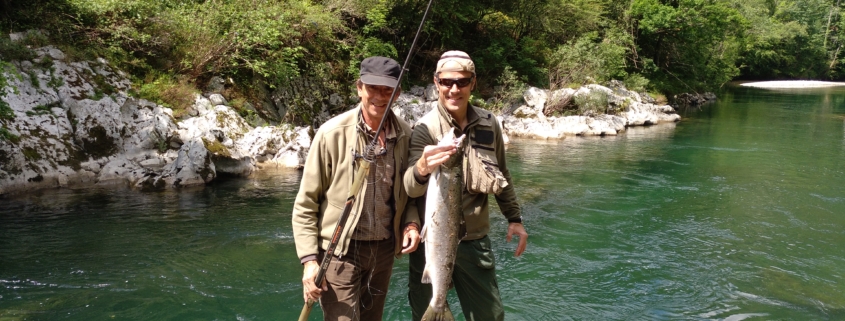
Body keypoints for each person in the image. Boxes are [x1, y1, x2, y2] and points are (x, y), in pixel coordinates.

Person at [292, 56, 421, 321]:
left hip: (384, 252)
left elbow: (408, 197)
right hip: (339, 253)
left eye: (388, 90)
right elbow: (306, 204)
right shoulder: (331, 134)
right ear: (359, 87)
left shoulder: (407, 136)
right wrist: (308, 261)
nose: (380, 96)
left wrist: (411, 225)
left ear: (397, 94)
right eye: (373, 87)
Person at [404, 50, 528, 321]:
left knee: (490, 316)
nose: (454, 89)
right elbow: (410, 190)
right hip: (432, 242)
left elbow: (502, 173)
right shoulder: (424, 129)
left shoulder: (489, 123)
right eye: (447, 82)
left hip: (474, 242)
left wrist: (514, 218)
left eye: (462, 81)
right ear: (436, 83)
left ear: (473, 83)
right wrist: (423, 168)